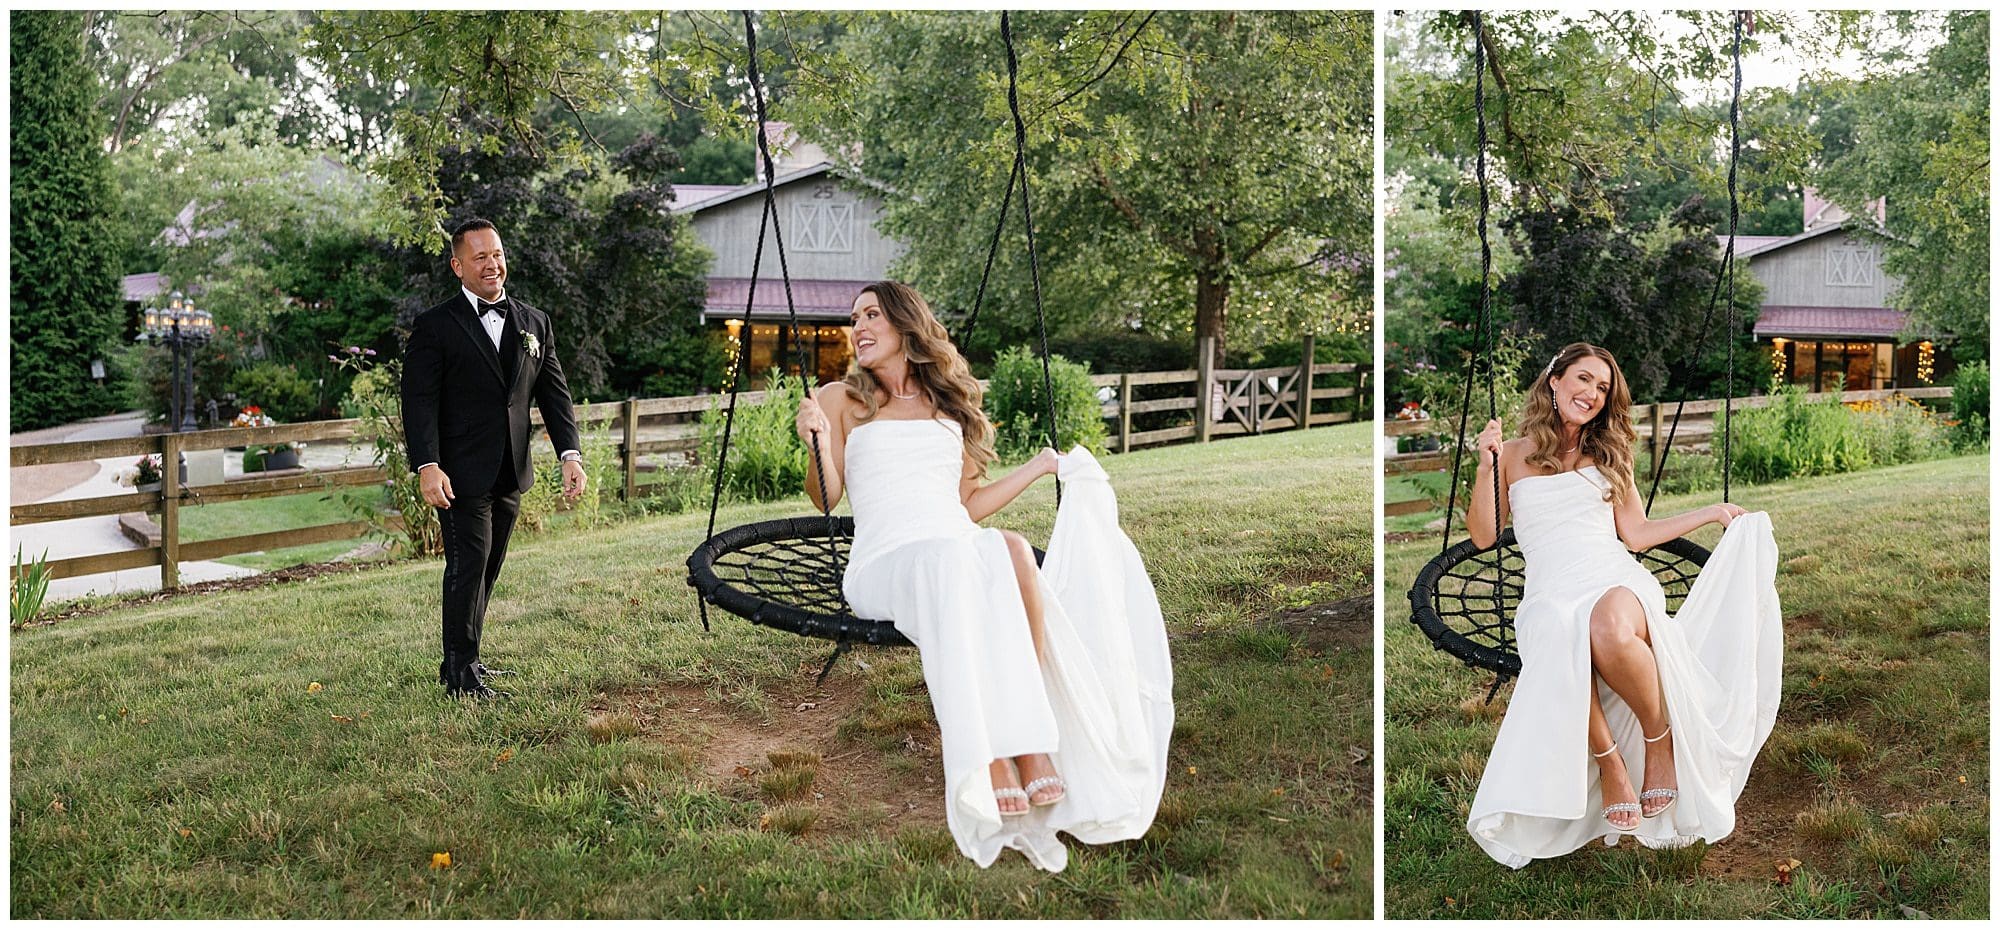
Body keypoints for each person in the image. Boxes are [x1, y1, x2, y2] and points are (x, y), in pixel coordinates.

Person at [793, 281, 1173, 871]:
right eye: (853, 318)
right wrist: (814, 440)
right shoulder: (840, 399)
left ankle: (1029, 741)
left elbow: (965, 504)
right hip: (885, 560)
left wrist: (1039, 467)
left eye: (871, 315)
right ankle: (1000, 755)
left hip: (953, 547)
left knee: (1013, 549)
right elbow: (826, 497)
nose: (858, 327)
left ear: (905, 324)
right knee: (962, 561)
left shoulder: (948, 406)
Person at [1461, 342, 1783, 868]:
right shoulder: (1512, 454)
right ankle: (1611, 766)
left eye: (1602, 387)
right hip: (1549, 589)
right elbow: (1483, 534)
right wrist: (1484, 464)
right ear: (1555, 381)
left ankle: (1660, 744)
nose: (1591, 393)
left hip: (1613, 578)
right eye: (1583, 379)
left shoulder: (1610, 454)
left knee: (1606, 624)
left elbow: (1634, 534)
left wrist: (1710, 511)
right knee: (1561, 629)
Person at [401, 218, 586, 699]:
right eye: (480, 256)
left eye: (497, 253)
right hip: (459, 474)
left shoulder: (534, 322)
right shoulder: (435, 326)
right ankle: (462, 678)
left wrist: (570, 454)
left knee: (488, 568)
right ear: (457, 266)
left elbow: (555, 395)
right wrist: (427, 464)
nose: (493, 264)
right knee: (468, 567)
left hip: (511, 471)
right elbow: (419, 402)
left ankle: (465, 662)